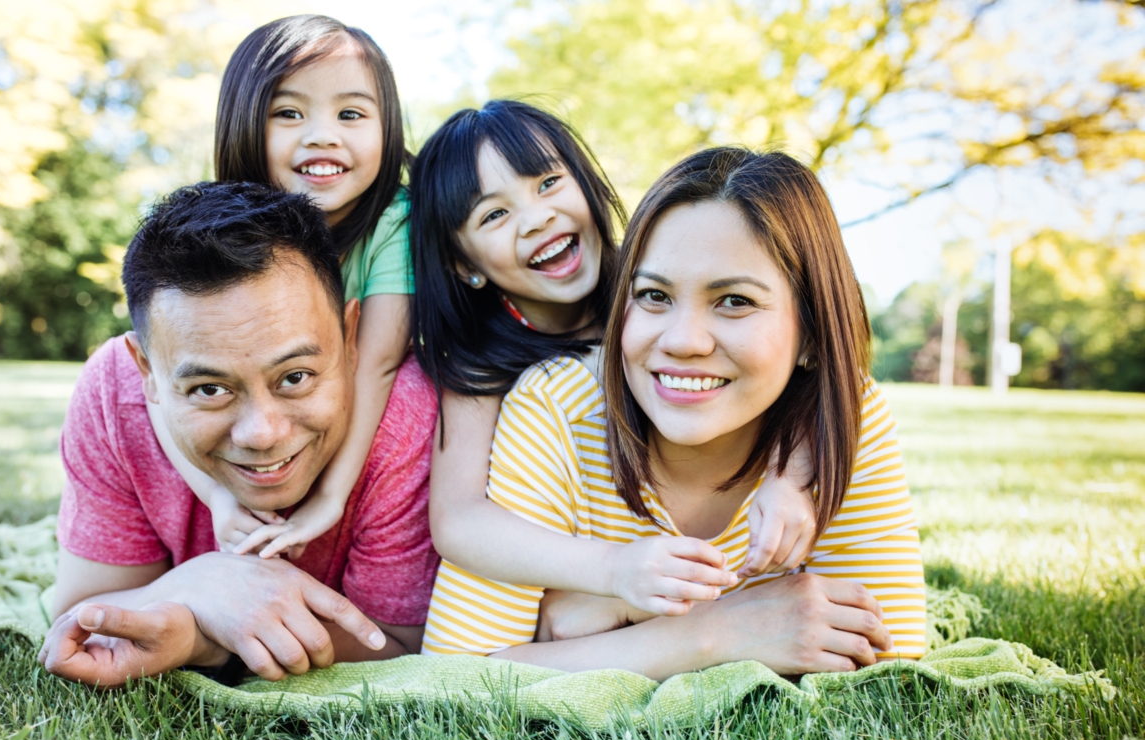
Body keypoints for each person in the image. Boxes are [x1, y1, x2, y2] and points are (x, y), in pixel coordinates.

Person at [420, 147, 927, 680]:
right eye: (654, 295)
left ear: (813, 336)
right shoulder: (553, 407)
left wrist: (613, 624)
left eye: (734, 300)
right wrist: (716, 634)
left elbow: (886, 661)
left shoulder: (845, 413)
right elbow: (455, 679)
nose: (683, 341)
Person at [411, 101, 819, 620]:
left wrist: (792, 478)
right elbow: (460, 520)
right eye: (494, 214)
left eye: (548, 183)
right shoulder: (480, 360)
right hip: (592, 568)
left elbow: (823, 368)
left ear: (588, 183)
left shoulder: (666, 282)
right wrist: (610, 571)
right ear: (464, 264)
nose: (537, 218)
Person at [38, 182, 439, 688]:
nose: (262, 434)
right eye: (210, 389)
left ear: (350, 336)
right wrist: (200, 584)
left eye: (295, 377)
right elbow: (78, 619)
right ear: (146, 369)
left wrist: (200, 632)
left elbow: (395, 642)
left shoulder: (404, 415)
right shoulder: (112, 394)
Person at [148, 15, 415, 560]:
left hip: (358, 427)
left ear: (387, 128)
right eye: (289, 113)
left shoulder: (396, 220)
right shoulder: (216, 230)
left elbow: (378, 361)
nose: (322, 134)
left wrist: (331, 497)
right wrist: (220, 498)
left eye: (351, 114)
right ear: (244, 124)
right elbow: (157, 377)